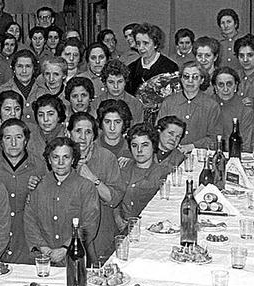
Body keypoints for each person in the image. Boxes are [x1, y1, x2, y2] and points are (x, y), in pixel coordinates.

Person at [24, 137, 100, 264]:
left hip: (76, 258)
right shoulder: (38, 185)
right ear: (49, 159)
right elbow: (30, 221)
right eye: (55, 157)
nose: (60, 162)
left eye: (66, 157)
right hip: (43, 258)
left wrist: (66, 248)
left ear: (73, 160)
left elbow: (89, 225)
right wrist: (44, 248)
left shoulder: (86, 187)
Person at [67, 112, 124, 260]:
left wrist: (92, 178)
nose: (83, 137)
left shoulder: (106, 157)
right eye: (78, 131)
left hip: (100, 230)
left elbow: (114, 199)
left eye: (88, 132)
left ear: (94, 136)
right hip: (65, 232)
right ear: (69, 133)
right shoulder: (59, 157)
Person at [0, 119, 46, 263]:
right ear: (1, 142)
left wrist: (41, 187)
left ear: (26, 140)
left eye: (18, 137)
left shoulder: (40, 165)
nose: (13, 143)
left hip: (27, 240)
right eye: (8, 138)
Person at [157, 61, 221, 150]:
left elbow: (215, 138)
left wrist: (193, 146)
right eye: (186, 76)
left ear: (202, 80)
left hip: (199, 155)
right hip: (170, 154)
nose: (190, 81)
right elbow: (158, 131)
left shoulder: (212, 106)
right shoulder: (168, 102)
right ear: (181, 79)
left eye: (195, 77)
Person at [118, 123, 174, 219]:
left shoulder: (164, 174)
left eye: (145, 145)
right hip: (120, 226)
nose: (139, 150)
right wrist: (118, 220)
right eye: (134, 145)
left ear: (154, 146)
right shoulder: (122, 168)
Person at [0, 49, 49, 123]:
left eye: (28, 66)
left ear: (34, 69)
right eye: (20, 66)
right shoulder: (1, 91)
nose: (24, 71)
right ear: (13, 68)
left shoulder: (43, 91)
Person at [126, 23, 179, 96]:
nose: (141, 48)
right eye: (138, 43)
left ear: (156, 44)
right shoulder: (131, 68)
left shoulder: (170, 67)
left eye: (145, 43)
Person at [212, 67, 254, 152]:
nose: (225, 89)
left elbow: (245, 144)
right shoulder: (208, 105)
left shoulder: (245, 109)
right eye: (221, 85)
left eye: (229, 84)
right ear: (215, 87)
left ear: (236, 85)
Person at [31, 93, 67, 158]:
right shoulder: (30, 136)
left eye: (50, 114)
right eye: (41, 115)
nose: (45, 119)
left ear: (59, 116)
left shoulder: (67, 134)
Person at [216, 8, 243, 73]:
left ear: (236, 24)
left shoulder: (243, 40)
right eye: (222, 23)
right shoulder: (217, 43)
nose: (226, 26)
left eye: (229, 22)